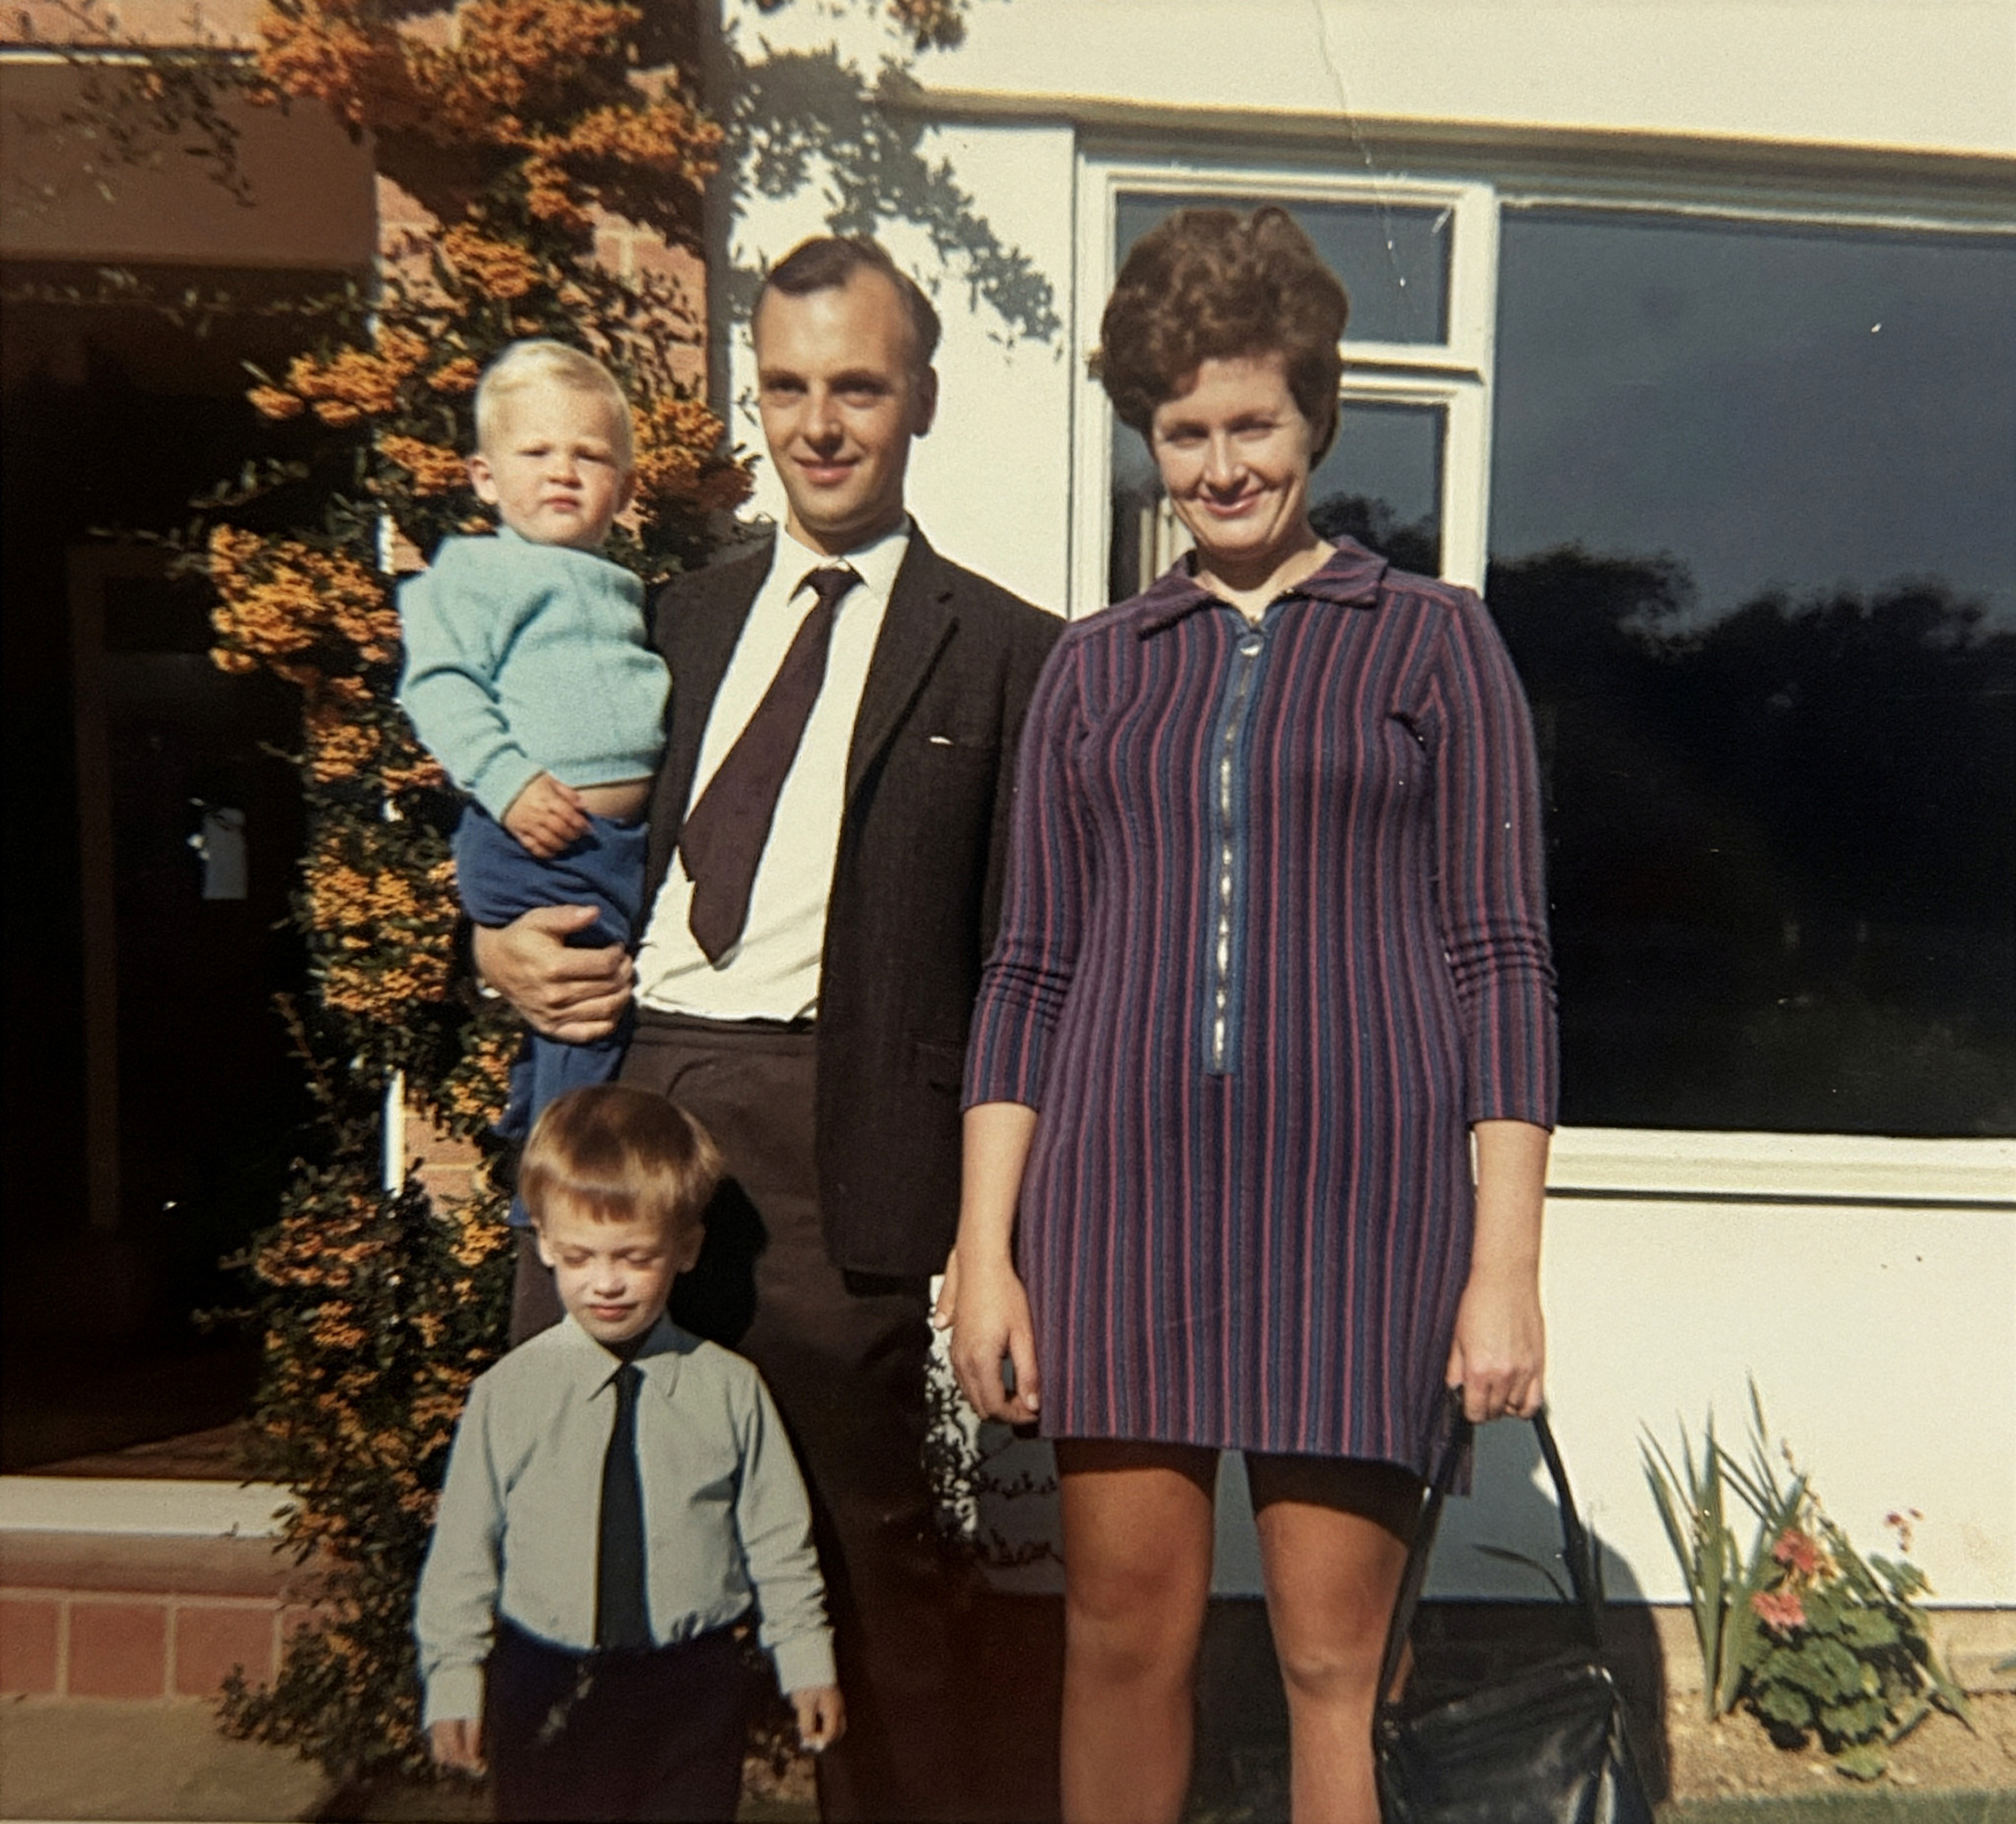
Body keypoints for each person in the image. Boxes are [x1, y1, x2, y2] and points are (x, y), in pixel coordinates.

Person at [946, 205, 1559, 1824]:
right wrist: (984, 1247)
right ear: (1146, 438)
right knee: (1120, 1637)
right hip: (1118, 1211)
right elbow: (1028, 967)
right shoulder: (1094, 667)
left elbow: (1503, 958)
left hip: (1362, 1214)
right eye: (1183, 432)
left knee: (1336, 1662)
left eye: (1253, 424)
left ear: (1317, 418)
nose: (1220, 468)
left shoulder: (1434, 643)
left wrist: (1503, 1268)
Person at [472, 236, 1062, 1822]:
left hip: (837, 1135)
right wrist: (496, 943)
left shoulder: (1012, 651)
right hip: (624, 1092)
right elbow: (544, 832)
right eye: (787, 387)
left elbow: (1029, 964)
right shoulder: (661, 617)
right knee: (575, 1536)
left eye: (856, 386)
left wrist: (990, 1236)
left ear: (920, 397)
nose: (818, 423)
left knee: (859, 1565)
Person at [414, 1083, 842, 1824]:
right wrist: (453, 1674)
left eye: (635, 1257)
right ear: (545, 1244)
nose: (606, 1282)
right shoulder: (508, 1395)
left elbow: (779, 1539)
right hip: (548, 1680)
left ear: (685, 1249)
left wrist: (806, 1660)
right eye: (580, 1256)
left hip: (692, 1685)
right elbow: (463, 1551)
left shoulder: (730, 1390)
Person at [398, 340, 666, 1157]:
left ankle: (533, 1130)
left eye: (590, 456)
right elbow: (438, 686)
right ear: (484, 478)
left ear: (624, 489)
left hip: (608, 846)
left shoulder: (620, 585)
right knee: (588, 1013)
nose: (563, 472)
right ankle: (563, 1180)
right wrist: (507, 782)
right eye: (537, 452)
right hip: (536, 841)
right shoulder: (476, 574)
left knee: (581, 1021)